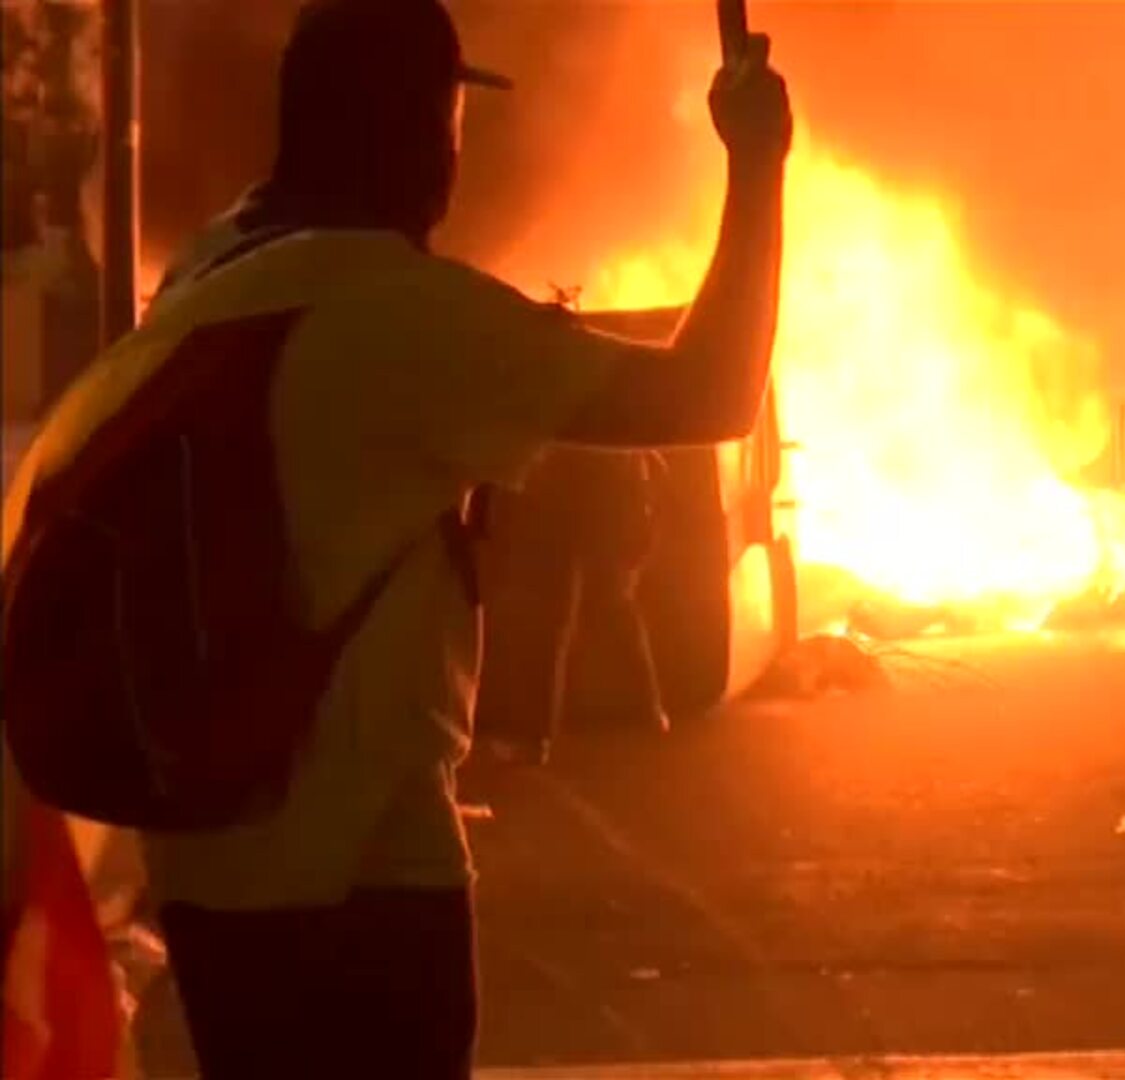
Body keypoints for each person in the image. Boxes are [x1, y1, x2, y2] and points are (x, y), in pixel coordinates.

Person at [41, 0, 790, 1076]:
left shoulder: (211, 271)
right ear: (408, 135)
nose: (457, 154)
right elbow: (711, 392)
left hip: (209, 861)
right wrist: (757, 166)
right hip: (359, 878)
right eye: (447, 123)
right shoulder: (402, 316)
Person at [477, 445, 673, 764]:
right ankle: (649, 714)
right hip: (609, 507)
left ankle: (537, 738)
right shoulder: (622, 431)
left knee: (556, 624)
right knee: (612, 610)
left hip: (575, 509)